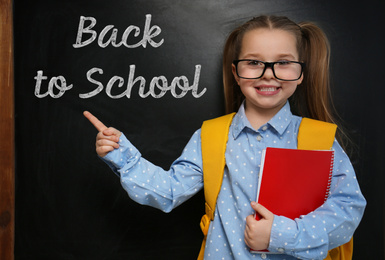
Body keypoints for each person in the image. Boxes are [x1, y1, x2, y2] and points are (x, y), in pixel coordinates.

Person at [84, 15, 366, 260]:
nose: (268, 75)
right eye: (254, 62)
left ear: (301, 73)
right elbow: (168, 191)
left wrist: (280, 235)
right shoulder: (211, 135)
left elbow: (347, 210)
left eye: (283, 63)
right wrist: (122, 155)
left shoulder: (320, 139)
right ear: (236, 72)